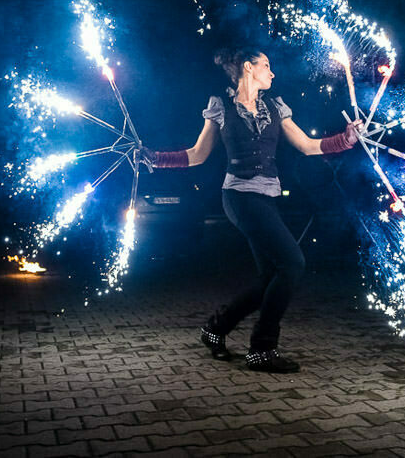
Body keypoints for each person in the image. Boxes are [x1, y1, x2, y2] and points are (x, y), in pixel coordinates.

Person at [140, 47, 360, 372]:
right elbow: (198, 154)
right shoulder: (222, 107)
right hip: (239, 197)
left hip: (267, 197)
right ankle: (262, 349)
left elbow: (308, 145)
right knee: (292, 263)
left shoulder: (275, 107)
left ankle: (216, 329)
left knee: (271, 276)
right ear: (248, 67)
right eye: (266, 66)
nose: (272, 72)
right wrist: (156, 159)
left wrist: (345, 139)